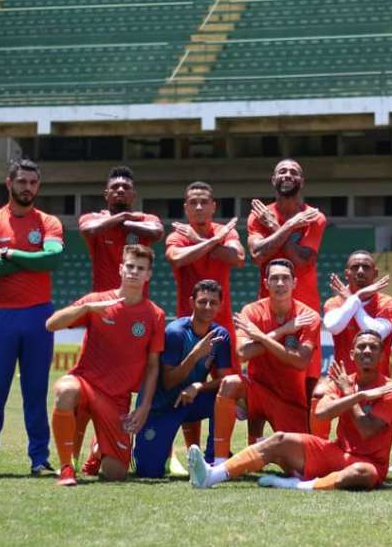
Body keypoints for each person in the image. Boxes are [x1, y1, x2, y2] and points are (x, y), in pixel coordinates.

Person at [188, 331, 392, 491]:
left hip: (369, 463)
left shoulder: (391, 390)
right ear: (352, 354)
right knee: (279, 439)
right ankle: (212, 475)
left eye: (373, 347)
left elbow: (366, 429)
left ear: (382, 355)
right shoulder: (344, 382)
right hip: (337, 452)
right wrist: (355, 395)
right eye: (362, 347)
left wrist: (349, 395)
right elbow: (321, 413)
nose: (367, 351)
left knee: (362, 473)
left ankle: (299, 485)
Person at [0, 159, 63, 477]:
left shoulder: (48, 222)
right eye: (22, 181)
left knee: (35, 392)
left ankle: (39, 459)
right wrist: (30, 260)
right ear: (9, 183)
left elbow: (52, 259)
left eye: (33, 183)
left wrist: (8, 254)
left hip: (38, 315)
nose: (27, 188)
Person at [45, 244, 165, 486]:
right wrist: (86, 308)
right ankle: (66, 467)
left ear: (148, 275)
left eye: (140, 268)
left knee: (116, 474)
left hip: (116, 398)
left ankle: (98, 449)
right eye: (130, 266)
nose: (134, 272)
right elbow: (51, 324)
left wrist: (144, 406)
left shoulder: (155, 315)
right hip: (85, 384)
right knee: (65, 389)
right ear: (121, 269)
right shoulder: (96, 301)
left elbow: (153, 366)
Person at [164, 181, 244, 467]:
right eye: (193, 202)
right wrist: (211, 242)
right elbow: (176, 257)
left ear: (213, 206)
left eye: (204, 202)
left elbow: (237, 257)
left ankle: (221, 451)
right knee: (186, 384)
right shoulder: (177, 235)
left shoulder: (227, 231)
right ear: (186, 207)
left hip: (222, 325)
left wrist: (198, 240)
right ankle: (192, 453)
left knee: (230, 384)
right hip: (188, 325)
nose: (199, 207)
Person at [212, 258, 321, 464]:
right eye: (274, 278)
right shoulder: (251, 311)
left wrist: (260, 337)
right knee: (230, 383)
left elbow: (300, 362)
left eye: (285, 278)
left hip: (289, 398)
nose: (280, 283)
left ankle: (257, 444)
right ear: (266, 283)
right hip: (256, 389)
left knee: (297, 467)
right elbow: (242, 353)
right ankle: (219, 461)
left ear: (294, 283)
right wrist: (283, 331)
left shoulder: (309, 317)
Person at [132, 280, 234, 478]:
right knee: (148, 472)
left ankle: (215, 459)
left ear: (220, 305)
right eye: (202, 301)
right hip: (162, 406)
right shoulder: (175, 333)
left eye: (213, 303)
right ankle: (150, 451)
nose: (208, 307)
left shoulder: (220, 336)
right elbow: (169, 382)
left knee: (230, 391)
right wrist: (195, 354)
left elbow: (225, 380)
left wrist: (199, 386)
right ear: (191, 302)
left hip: (189, 401)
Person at [247, 158, 326, 395]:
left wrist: (276, 227)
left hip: (305, 308)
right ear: (273, 179)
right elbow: (257, 255)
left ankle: (307, 419)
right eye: (282, 171)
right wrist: (288, 227)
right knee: (265, 373)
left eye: (294, 172)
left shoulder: (314, 217)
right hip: (269, 308)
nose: (288, 175)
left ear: (302, 181)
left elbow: (303, 260)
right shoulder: (259, 216)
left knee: (307, 378)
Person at [316, 250, 392, 437]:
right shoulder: (333, 303)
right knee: (318, 397)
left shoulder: (388, 303)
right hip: (341, 379)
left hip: (376, 381)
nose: (360, 271)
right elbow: (334, 327)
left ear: (375, 273)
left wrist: (353, 299)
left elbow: (376, 332)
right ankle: (320, 443)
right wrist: (357, 297)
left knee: (369, 435)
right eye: (355, 267)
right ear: (347, 274)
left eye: (366, 267)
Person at [79, 165, 164, 293]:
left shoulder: (145, 218)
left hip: (136, 300)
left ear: (133, 195)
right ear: (106, 194)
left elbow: (157, 232)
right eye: (115, 187)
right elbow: (88, 230)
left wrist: (123, 221)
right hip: (103, 299)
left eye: (126, 187)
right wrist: (124, 216)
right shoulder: (93, 218)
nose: (120, 190)